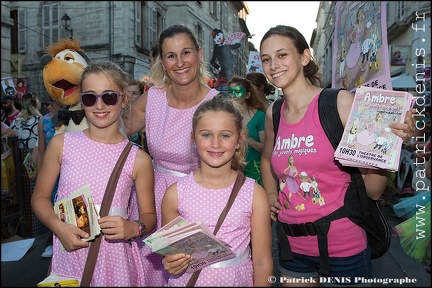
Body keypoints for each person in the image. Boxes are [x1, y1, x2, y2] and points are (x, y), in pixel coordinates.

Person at [259, 25, 416, 286]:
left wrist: (391, 142)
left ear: (304, 57)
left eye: (282, 55)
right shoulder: (273, 112)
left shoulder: (339, 103)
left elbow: (374, 191)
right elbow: (266, 158)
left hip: (343, 248)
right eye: (266, 59)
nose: (273, 65)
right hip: (291, 245)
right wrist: (272, 196)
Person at [31, 59, 156, 286]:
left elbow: (149, 216)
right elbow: (39, 198)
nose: (99, 105)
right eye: (90, 97)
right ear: (81, 101)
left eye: (108, 97)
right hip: (70, 253)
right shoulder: (61, 144)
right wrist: (59, 228)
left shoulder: (139, 159)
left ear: (124, 99)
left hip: (115, 259)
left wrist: (132, 227)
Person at [124, 24, 219, 286]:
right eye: (171, 56)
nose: (180, 62)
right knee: (153, 275)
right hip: (153, 200)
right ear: (162, 63)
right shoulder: (152, 98)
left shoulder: (217, 103)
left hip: (201, 199)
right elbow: (113, 131)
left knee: (197, 275)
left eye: (186, 52)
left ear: (199, 54)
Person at [161, 94, 273, 286]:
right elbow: (172, 255)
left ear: (239, 139)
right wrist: (171, 263)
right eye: (206, 135)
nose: (215, 144)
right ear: (193, 139)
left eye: (225, 135)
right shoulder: (175, 195)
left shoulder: (254, 194)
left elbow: (262, 261)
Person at [227, 76, 266, 186]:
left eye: (238, 91)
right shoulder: (225, 116)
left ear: (248, 95)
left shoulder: (260, 116)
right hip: (231, 168)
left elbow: (266, 149)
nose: (233, 95)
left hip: (254, 169)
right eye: (230, 92)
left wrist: (249, 140)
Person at [37, 96, 63, 258]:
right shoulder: (44, 121)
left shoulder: (78, 116)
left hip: (71, 171)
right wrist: (41, 174)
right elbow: (41, 151)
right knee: (51, 206)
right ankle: (54, 240)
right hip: (52, 174)